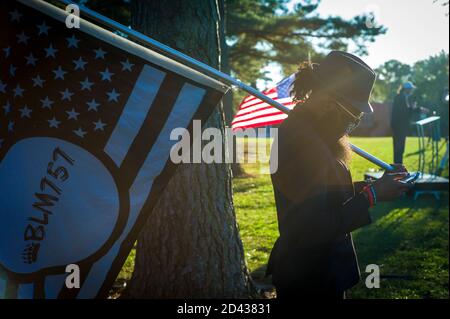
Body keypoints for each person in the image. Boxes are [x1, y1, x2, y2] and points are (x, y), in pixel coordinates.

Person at [266, 51, 413, 299]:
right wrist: (373, 196)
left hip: (325, 272)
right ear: (329, 101)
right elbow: (311, 227)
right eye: (352, 112)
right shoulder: (299, 140)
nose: (353, 120)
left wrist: (372, 186)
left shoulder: (316, 131)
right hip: (307, 279)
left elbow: (323, 194)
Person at [391, 82, 417, 164]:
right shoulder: (401, 97)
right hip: (399, 127)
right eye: (411, 89)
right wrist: (413, 108)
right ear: (407, 89)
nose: (412, 91)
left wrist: (413, 108)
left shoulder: (401, 97)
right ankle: (398, 167)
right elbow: (404, 113)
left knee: (399, 148)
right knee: (399, 148)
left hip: (398, 127)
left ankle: (398, 166)